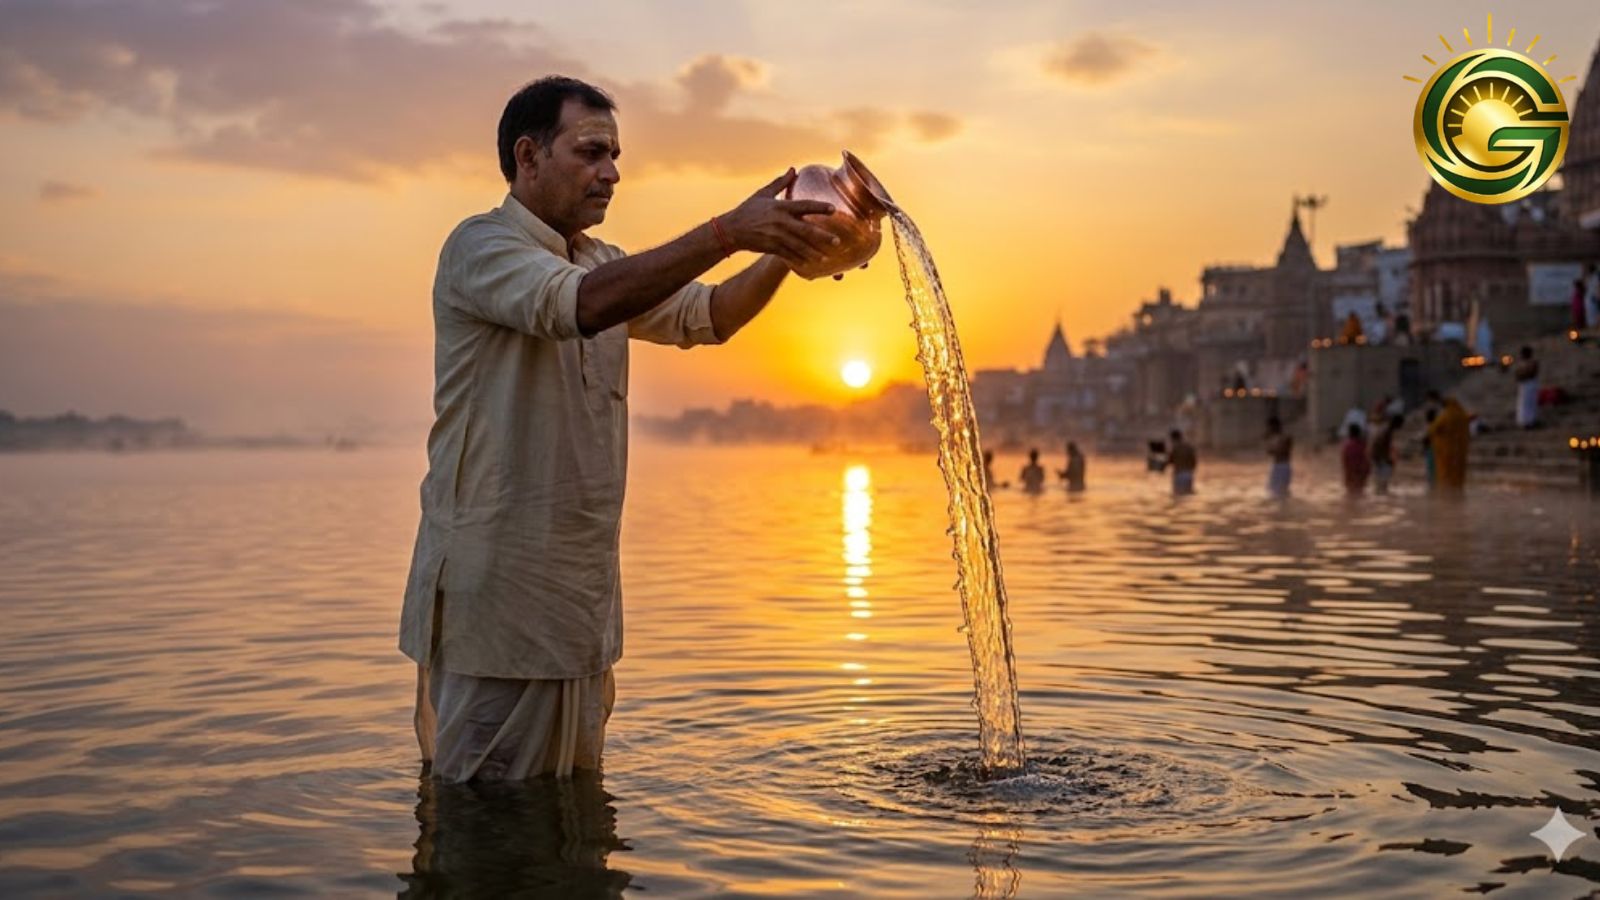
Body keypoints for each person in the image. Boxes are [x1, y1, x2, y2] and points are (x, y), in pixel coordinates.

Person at [399, 76, 843, 783]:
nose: (611, 172)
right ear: (528, 155)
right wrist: (729, 231)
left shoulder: (605, 264)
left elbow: (714, 314)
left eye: (616, 155)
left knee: (569, 826)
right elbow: (577, 307)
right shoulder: (481, 247)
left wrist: (786, 246)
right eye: (592, 151)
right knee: (484, 831)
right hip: (496, 612)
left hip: (579, 610)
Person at [1426, 390, 1472, 492]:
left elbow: (1431, 430)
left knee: (1446, 474)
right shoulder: (1462, 415)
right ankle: (1457, 492)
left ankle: (1447, 495)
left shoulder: (1445, 416)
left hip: (1446, 451)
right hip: (1460, 451)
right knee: (1458, 473)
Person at [1370, 414, 1400, 495]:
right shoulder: (1387, 430)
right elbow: (1381, 444)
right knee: (1383, 481)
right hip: (1379, 457)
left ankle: (1380, 496)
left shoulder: (1386, 428)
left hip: (1377, 456)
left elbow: (1383, 445)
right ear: (1397, 423)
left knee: (1380, 481)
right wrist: (1386, 459)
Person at [1265, 415, 1293, 498]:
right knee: (1272, 491)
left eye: (1270, 427)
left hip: (1283, 467)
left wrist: (1273, 447)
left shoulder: (1285, 437)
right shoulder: (1274, 438)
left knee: (1281, 492)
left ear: (1275, 426)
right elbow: (1270, 452)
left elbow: (1283, 450)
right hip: (1276, 467)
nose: (1269, 429)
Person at [1514, 345, 1540, 428]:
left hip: (1530, 384)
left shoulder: (1533, 362)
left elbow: (1531, 373)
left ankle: (1531, 421)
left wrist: (1523, 375)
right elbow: (1517, 374)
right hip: (1523, 385)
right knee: (1523, 404)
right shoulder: (1521, 363)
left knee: (1530, 403)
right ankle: (1523, 421)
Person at [1341, 422, 1371, 494]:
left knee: (1351, 494)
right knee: (1360, 493)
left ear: (1350, 433)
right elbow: (1366, 460)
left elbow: (1345, 461)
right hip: (1360, 474)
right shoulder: (1362, 445)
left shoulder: (1347, 446)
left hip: (1351, 474)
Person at [1168, 429, 1197, 495]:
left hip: (1178, 474)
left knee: (1178, 494)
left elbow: (1170, 461)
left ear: (1173, 438)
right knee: (1188, 494)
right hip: (1189, 474)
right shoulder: (1189, 447)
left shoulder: (1175, 448)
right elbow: (1194, 461)